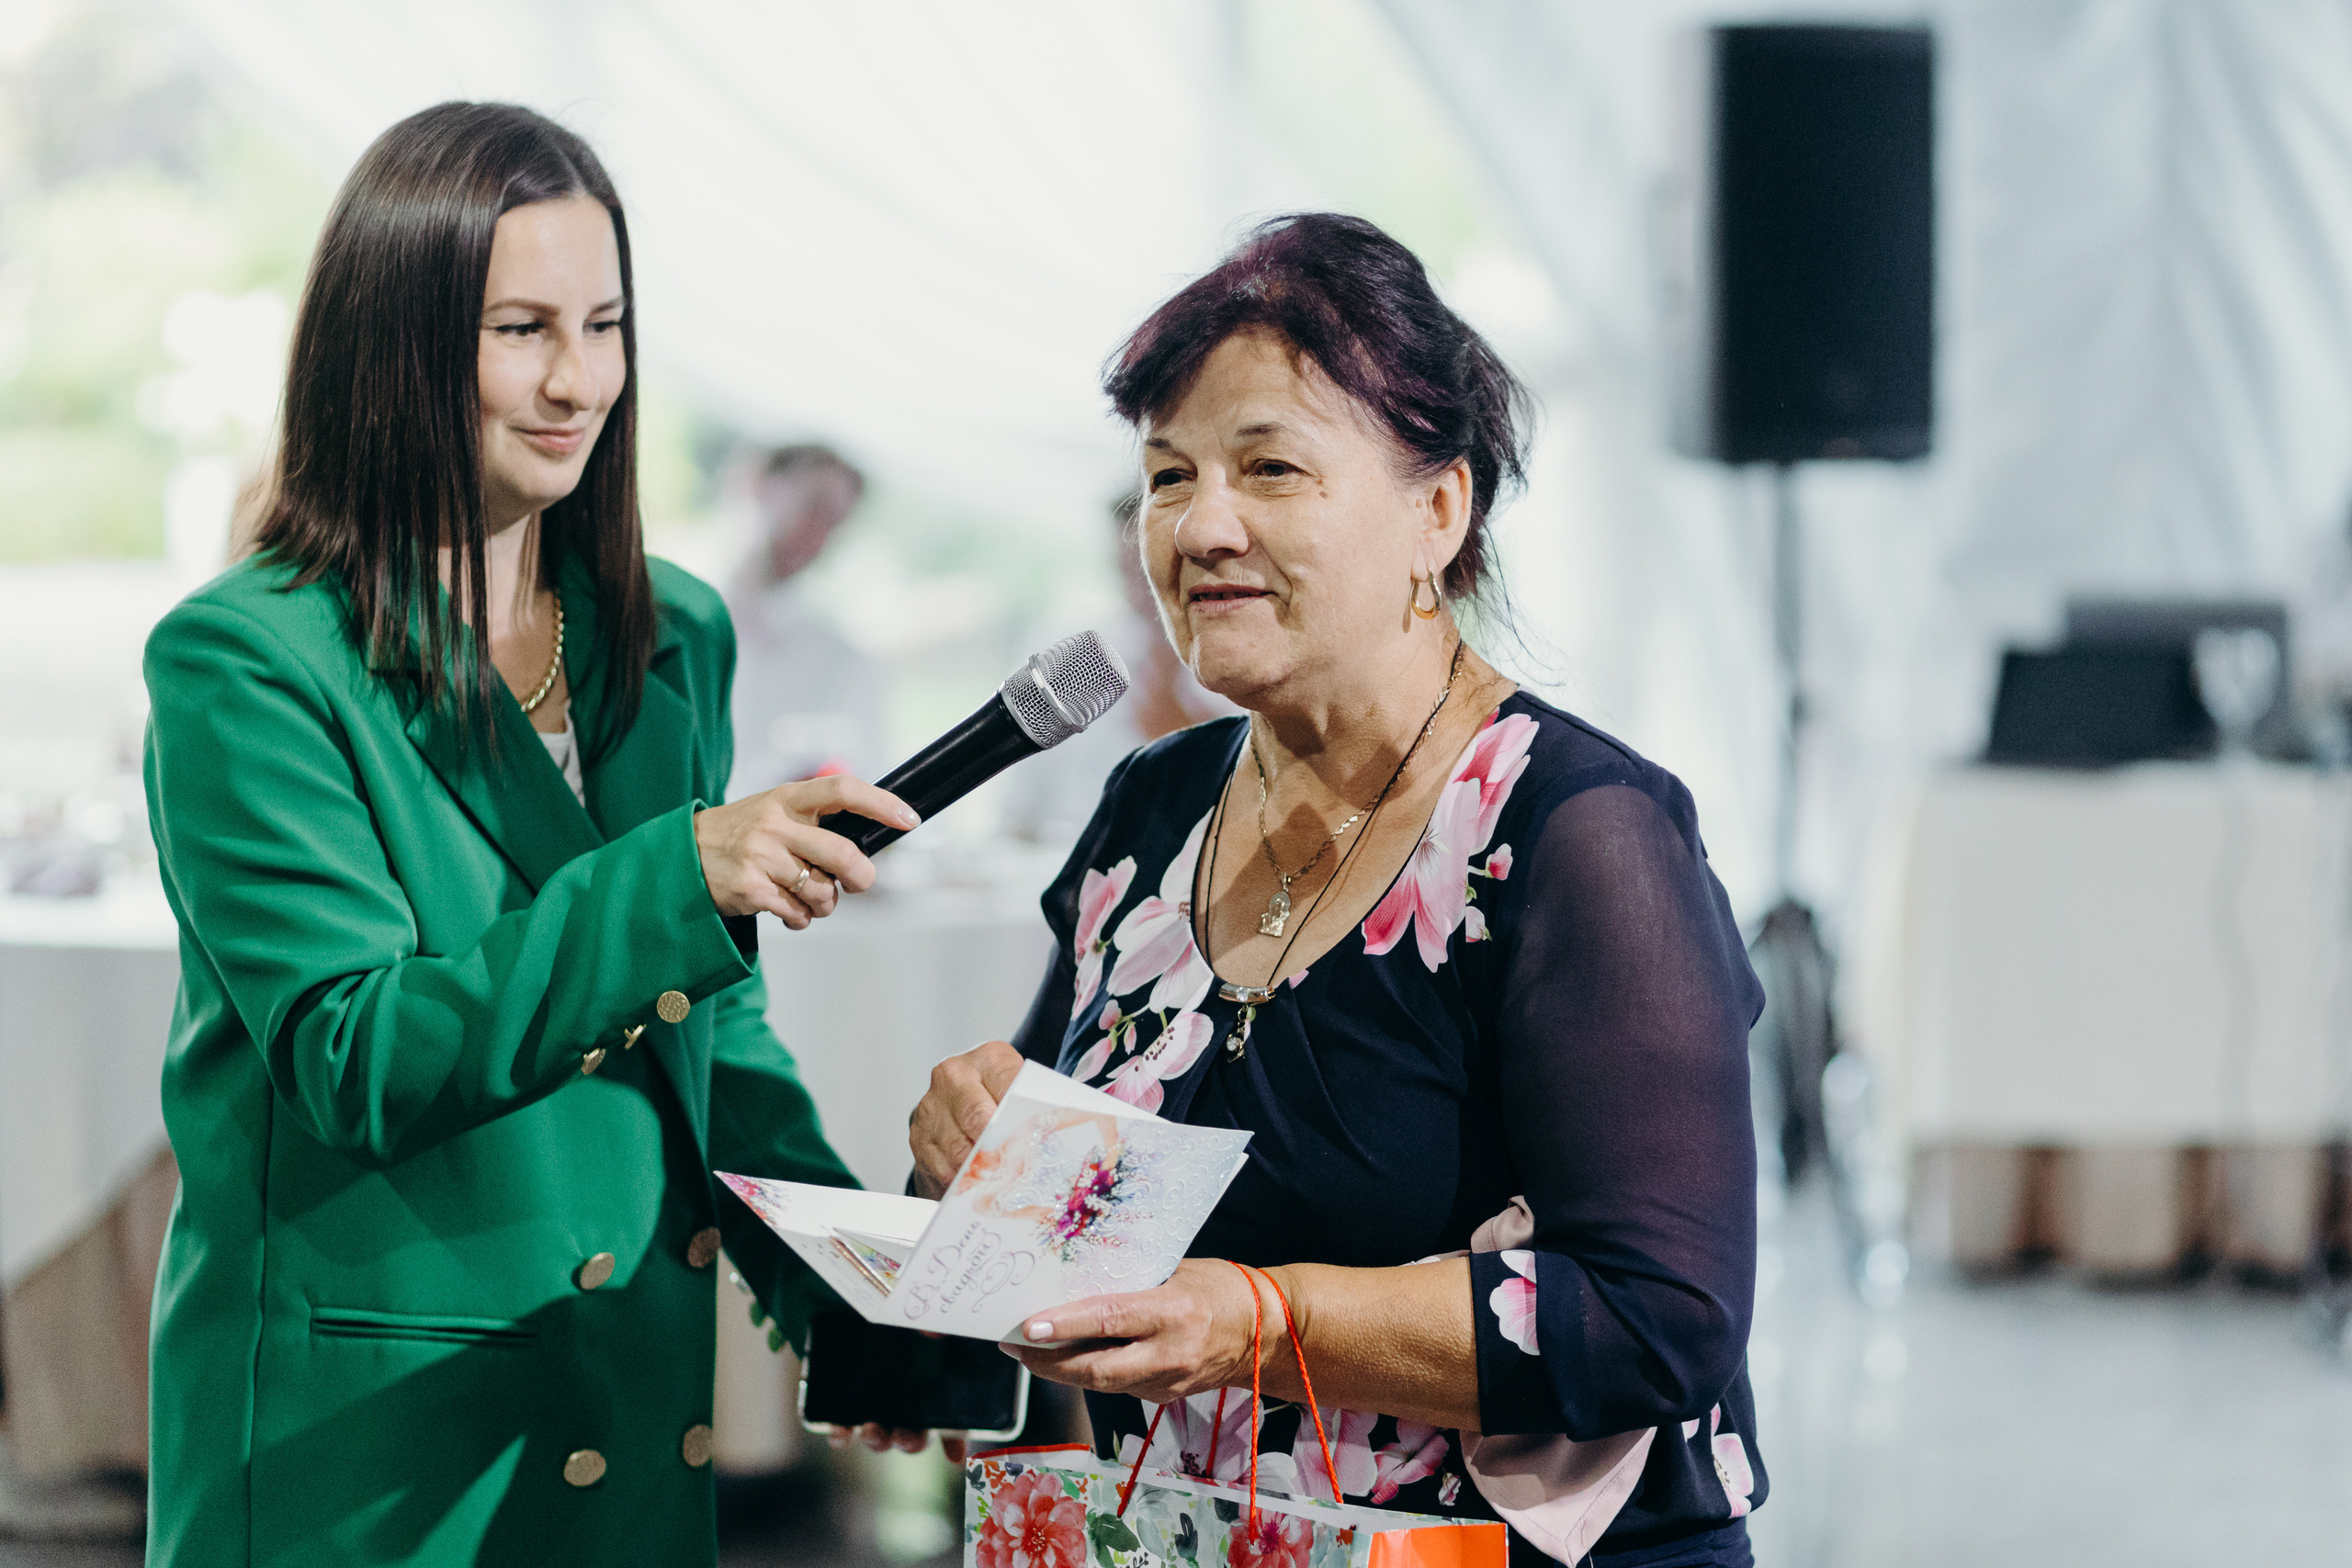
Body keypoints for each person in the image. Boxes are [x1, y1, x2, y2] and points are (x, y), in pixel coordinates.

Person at [910, 214, 1767, 1565]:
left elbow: (1659, 1313)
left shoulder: (1575, 830)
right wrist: (968, 1148)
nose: (1203, 524)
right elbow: (1065, 1190)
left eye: (1271, 468)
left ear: (1441, 509)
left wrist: (1261, 1317)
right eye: (1168, 474)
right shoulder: (1156, 804)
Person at [140, 102, 930, 1568]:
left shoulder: (670, 627)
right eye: (521, 329)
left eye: (606, 323)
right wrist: (677, 873)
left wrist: (845, 1282)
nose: (580, 381)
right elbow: (354, 1052)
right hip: (372, 1444)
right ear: (395, 343)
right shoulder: (246, 660)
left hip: (623, 1390)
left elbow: (711, 1020)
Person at [722, 444, 892, 797]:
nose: (818, 537)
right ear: (760, 485)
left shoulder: (842, 660)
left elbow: (870, 774)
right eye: (813, 507)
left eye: (835, 524)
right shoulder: (668, 608)